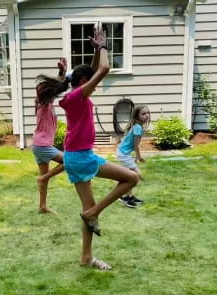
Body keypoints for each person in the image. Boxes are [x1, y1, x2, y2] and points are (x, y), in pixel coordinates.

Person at [36, 28, 139, 270]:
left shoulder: (75, 95)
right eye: (90, 82)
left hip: (79, 156)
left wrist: (95, 51)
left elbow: (93, 71)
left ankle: (86, 256)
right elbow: (103, 70)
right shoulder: (76, 97)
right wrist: (104, 47)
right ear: (84, 83)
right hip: (80, 158)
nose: (95, 84)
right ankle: (94, 213)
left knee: (88, 208)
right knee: (131, 178)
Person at [32, 57, 67, 214]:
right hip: (42, 145)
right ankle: (44, 178)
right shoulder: (43, 103)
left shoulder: (48, 103)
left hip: (40, 145)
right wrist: (62, 73)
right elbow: (58, 88)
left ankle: (43, 206)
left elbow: (57, 87)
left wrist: (61, 72)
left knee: (44, 175)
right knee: (69, 161)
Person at [116, 105, 150, 208]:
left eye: (147, 113)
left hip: (125, 153)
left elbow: (134, 146)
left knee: (130, 176)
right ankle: (124, 197)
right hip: (123, 154)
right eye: (143, 114)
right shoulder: (137, 128)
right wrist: (139, 157)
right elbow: (136, 146)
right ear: (136, 116)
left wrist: (135, 158)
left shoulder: (138, 127)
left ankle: (128, 196)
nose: (146, 115)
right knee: (136, 175)